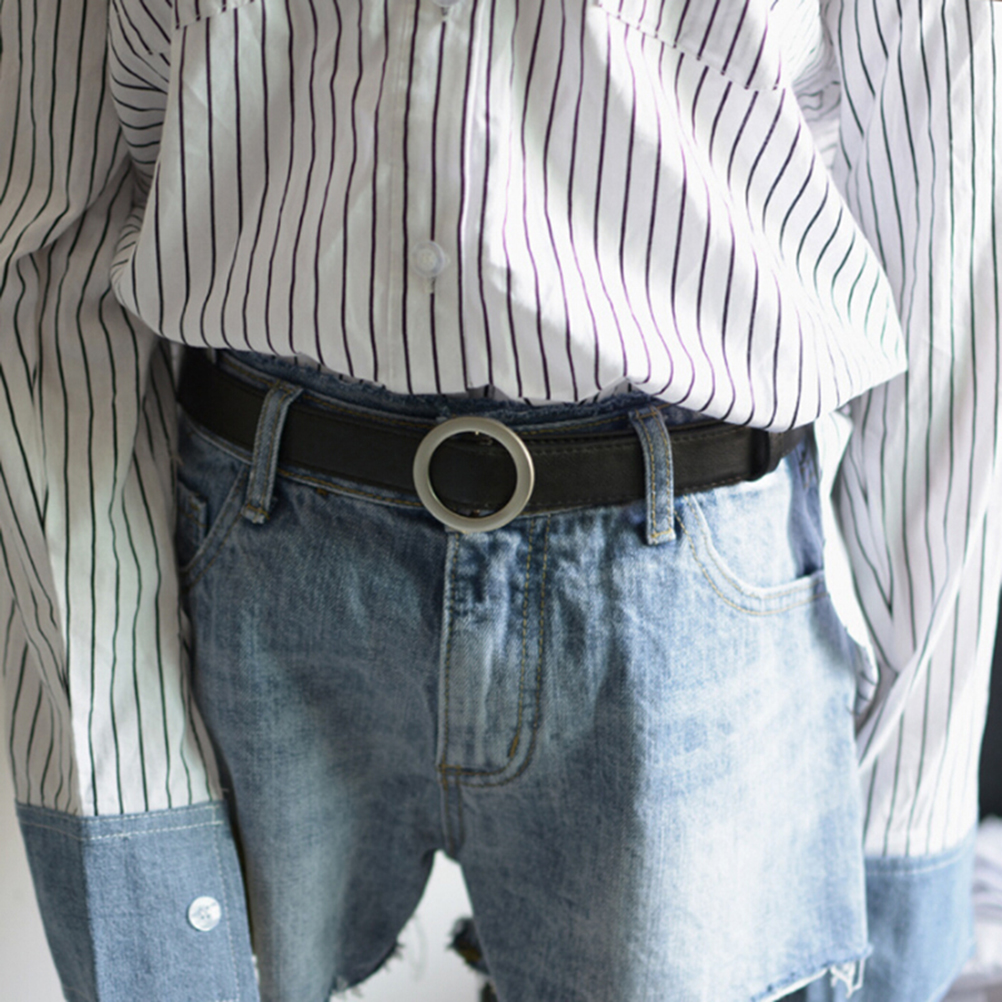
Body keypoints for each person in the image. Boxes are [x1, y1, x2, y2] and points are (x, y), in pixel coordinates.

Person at [0, 0, 998, 999]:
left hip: (689, 591)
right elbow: (47, 270)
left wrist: (897, 836)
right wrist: (117, 796)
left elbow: (949, 296)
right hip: (249, 551)